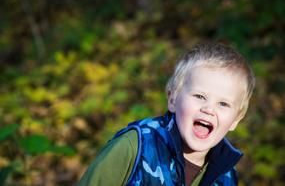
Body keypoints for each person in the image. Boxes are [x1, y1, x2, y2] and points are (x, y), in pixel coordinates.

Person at [78, 43, 255, 186]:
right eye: (199, 96)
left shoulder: (226, 176)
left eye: (223, 104)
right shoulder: (134, 147)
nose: (209, 109)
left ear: (236, 120)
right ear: (172, 99)